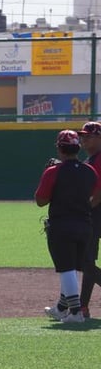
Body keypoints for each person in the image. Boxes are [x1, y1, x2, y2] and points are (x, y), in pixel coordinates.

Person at [35, 130, 101, 324]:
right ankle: (61, 308)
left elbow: (41, 200)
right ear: (78, 148)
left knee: (66, 268)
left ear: (60, 149)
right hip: (85, 225)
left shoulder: (53, 171)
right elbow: (94, 194)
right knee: (74, 266)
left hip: (62, 224)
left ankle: (75, 312)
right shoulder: (90, 171)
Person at [77, 121, 101, 317]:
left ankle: (82, 307)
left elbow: (98, 194)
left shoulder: (98, 160)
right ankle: (82, 307)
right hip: (94, 214)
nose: (84, 139)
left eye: (89, 136)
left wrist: (80, 211)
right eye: (82, 136)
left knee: (85, 261)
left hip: (96, 214)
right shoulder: (91, 160)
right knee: (86, 261)